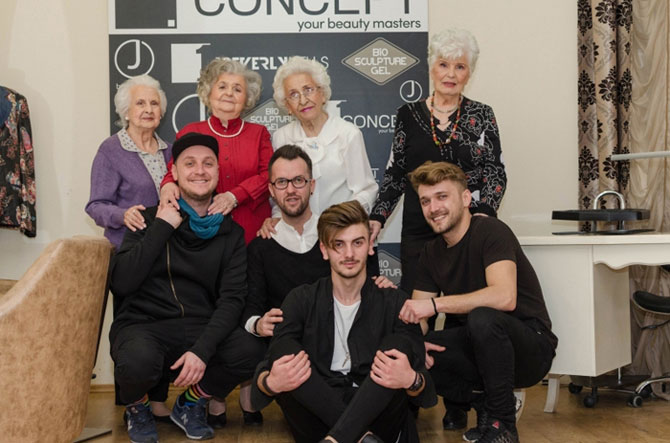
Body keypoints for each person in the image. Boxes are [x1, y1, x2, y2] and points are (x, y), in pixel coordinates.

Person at [110, 133, 265, 443]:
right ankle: (138, 406)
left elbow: (232, 300)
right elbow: (122, 282)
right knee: (136, 362)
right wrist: (162, 228)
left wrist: (202, 350)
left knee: (252, 350)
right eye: (190, 164)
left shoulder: (230, 233)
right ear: (175, 172)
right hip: (145, 325)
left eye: (208, 163)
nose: (199, 171)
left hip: (198, 326)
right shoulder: (147, 219)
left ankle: (191, 402)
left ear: (217, 172)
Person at [251, 200, 436, 443]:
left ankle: (337, 439)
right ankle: (359, 437)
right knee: (286, 353)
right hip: (318, 414)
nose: (349, 254)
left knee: (396, 349)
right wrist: (271, 383)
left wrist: (411, 379)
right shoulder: (301, 299)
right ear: (324, 250)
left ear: (370, 246)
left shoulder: (394, 302)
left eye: (357, 243)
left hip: (379, 417)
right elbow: (263, 378)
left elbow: (425, 392)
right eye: (339, 244)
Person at [399, 161, 557, 443]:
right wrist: (410, 343)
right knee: (414, 350)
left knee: (482, 317)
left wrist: (436, 306)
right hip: (480, 346)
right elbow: (418, 318)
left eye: (442, 197)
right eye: (426, 201)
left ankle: (503, 426)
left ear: (465, 199)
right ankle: (486, 404)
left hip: (531, 347)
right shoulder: (431, 253)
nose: (433, 208)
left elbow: (504, 297)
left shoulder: (491, 231)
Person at [369, 28, 507, 295]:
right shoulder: (407, 114)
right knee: (417, 310)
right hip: (418, 229)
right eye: (444, 64)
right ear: (431, 66)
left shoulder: (482, 114)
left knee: (466, 308)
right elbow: (396, 172)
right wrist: (377, 216)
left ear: (469, 73)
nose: (451, 74)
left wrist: (484, 212)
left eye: (460, 66)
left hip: (466, 229)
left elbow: (495, 171)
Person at [243, 145, 390, 340]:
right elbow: (251, 308)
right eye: (281, 182)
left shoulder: (343, 237)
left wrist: (381, 287)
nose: (290, 190)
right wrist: (257, 324)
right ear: (271, 190)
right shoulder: (260, 247)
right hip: (286, 344)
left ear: (311, 185)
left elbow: (371, 291)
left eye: (298, 180)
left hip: (344, 340)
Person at [257, 55, 378, 237]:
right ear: (287, 105)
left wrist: (340, 221)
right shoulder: (281, 137)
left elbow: (366, 190)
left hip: (342, 232)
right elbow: (278, 189)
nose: (303, 100)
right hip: (298, 236)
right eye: (294, 95)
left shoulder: (347, 133)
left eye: (308, 90)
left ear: (322, 94)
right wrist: (276, 216)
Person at [161, 58, 272, 245]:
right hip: (201, 230)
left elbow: (269, 175)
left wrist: (235, 196)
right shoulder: (189, 132)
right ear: (209, 91)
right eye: (222, 87)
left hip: (252, 230)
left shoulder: (259, 133)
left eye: (237, 89)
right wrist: (167, 185)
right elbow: (173, 170)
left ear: (247, 98)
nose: (229, 93)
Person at [86, 75, 171, 250]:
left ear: (161, 112)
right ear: (126, 111)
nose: (149, 110)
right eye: (140, 103)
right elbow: (96, 206)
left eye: (154, 103)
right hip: (129, 249)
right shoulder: (111, 150)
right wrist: (123, 215)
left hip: (167, 248)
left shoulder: (169, 151)